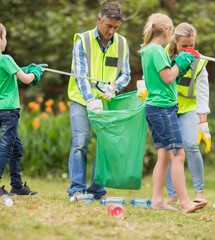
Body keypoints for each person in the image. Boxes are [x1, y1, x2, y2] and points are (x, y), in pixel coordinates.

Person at [139, 13, 207, 213]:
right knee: (177, 155)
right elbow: (169, 77)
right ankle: (186, 202)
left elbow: (166, 79)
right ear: (168, 31)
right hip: (163, 109)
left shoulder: (147, 50)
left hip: (155, 107)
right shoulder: (158, 51)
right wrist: (183, 61)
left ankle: (157, 200)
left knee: (163, 156)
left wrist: (181, 67)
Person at [66, 2, 131, 200]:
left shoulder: (121, 43)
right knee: (80, 142)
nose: (111, 31)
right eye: (108, 26)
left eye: (116, 27)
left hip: (106, 101)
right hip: (81, 100)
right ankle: (77, 189)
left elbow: (125, 74)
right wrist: (90, 99)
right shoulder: (83, 41)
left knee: (104, 145)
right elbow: (80, 75)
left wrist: (115, 87)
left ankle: (97, 190)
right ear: (99, 20)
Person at [164, 22, 210, 204]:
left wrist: (203, 121)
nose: (189, 49)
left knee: (191, 145)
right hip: (168, 105)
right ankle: (172, 194)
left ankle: (199, 193)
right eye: (185, 46)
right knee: (171, 149)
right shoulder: (163, 54)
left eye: (192, 45)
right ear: (175, 41)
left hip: (190, 107)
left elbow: (203, 92)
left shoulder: (200, 61)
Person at [0, 23, 45, 196]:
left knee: (16, 147)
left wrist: (24, 69)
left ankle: (17, 185)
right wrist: (36, 72)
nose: (6, 40)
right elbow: (26, 80)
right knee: (5, 147)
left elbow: (10, 79)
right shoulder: (5, 59)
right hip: (9, 111)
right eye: (4, 37)